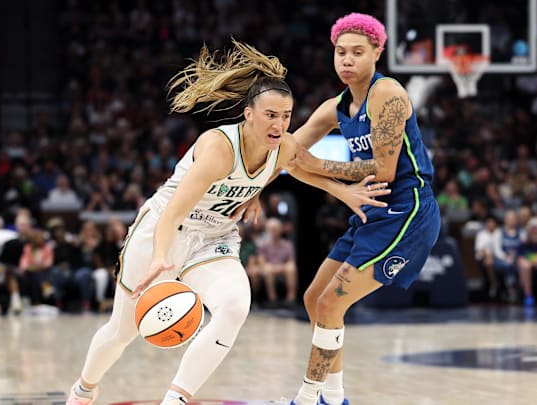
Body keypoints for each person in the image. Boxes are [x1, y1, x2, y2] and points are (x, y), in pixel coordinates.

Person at [66, 40, 390, 405]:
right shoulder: (219, 148)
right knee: (123, 331)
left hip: (214, 236)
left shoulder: (281, 146)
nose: (279, 124)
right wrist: (160, 256)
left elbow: (308, 169)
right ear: (248, 114)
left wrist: (345, 191)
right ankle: (83, 391)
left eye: (286, 116)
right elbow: (173, 211)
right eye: (271, 115)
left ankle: (176, 400)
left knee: (235, 305)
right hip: (165, 229)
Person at [284, 13, 440, 405]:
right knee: (313, 299)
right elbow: (287, 154)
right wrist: (253, 189)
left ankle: (308, 398)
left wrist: (319, 167)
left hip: (408, 210)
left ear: (377, 53)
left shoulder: (388, 94)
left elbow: (384, 170)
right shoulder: (334, 107)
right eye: (340, 52)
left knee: (331, 302)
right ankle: (335, 399)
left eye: (357, 52)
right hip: (370, 213)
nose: (347, 60)